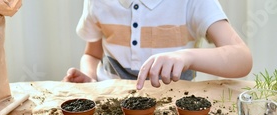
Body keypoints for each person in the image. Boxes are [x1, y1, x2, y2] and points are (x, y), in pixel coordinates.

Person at [62, 0, 252, 90]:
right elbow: (92, 55)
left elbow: (241, 58)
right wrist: (89, 78)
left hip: (173, 108)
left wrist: (186, 57)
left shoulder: (194, 2)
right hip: (110, 100)